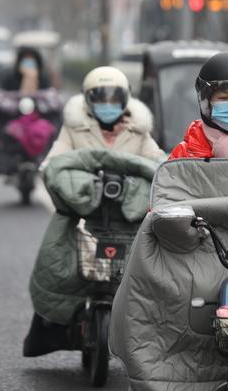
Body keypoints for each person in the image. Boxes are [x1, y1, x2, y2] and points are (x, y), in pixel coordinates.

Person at [23, 66, 164, 357]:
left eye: (115, 99)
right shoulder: (73, 128)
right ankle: (53, 325)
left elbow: (158, 163)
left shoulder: (139, 131)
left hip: (126, 218)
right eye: (101, 99)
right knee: (56, 263)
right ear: (88, 100)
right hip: (82, 216)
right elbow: (54, 162)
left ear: (126, 100)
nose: (108, 106)